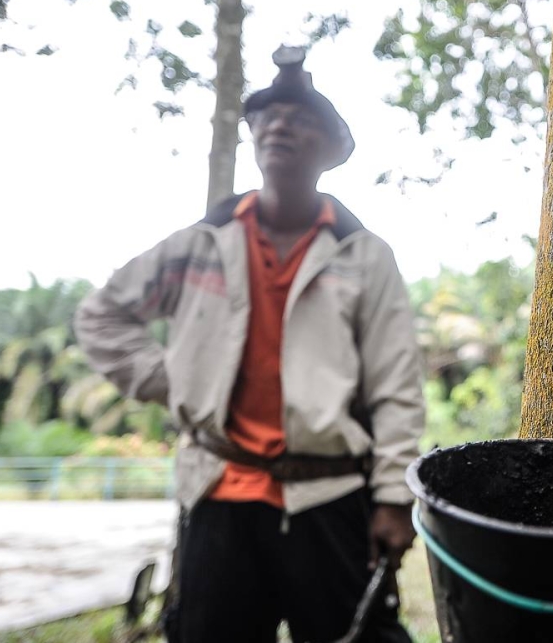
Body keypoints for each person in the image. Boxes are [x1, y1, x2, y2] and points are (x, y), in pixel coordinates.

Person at [74, 46, 424, 643]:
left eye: (300, 117)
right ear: (255, 135)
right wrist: (176, 380)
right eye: (268, 116)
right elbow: (101, 316)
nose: (281, 124)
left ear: (329, 147)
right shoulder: (200, 244)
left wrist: (393, 497)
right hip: (219, 490)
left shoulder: (364, 256)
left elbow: (396, 384)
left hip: (329, 494)